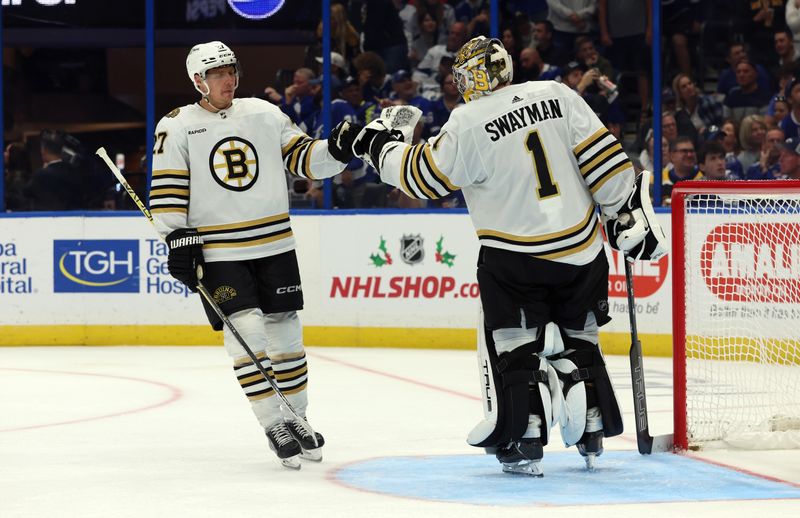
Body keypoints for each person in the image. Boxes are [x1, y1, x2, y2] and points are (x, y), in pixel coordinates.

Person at [351, 36, 667, 476]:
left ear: (479, 74)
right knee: (581, 342)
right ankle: (592, 430)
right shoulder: (557, 93)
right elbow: (606, 162)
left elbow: (422, 178)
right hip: (583, 253)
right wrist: (623, 214)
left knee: (517, 351)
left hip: (516, 260)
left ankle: (526, 437)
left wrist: (378, 146)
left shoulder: (468, 119)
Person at [150, 42, 359, 468]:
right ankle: (272, 422)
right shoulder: (175, 127)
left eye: (231, 70)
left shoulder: (265, 113)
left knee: (287, 335)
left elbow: (304, 159)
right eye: (217, 73)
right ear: (197, 81)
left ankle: (297, 417)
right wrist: (177, 239)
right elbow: (168, 196)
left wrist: (336, 150)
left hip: (274, 244)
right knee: (246, 335)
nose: (228, 79)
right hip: (220, 251)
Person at [23, 129, 81, 211]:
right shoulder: (74, 172)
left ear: (43, 151)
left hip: (46, 218)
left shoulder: (40, 175)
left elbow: (26, 192)